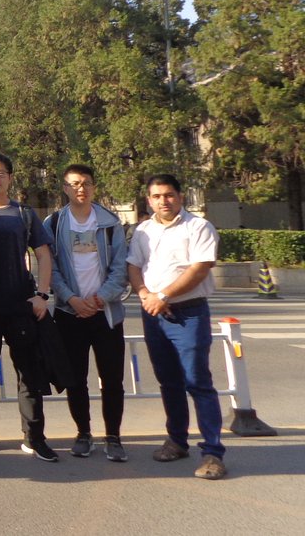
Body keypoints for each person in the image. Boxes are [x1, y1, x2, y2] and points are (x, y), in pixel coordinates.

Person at [127, 174, 227, 480]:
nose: (163, 201)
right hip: (153, 313)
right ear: (149, 200)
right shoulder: (143, 230)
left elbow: (200, 268)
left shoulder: (198, 227)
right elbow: (133, 265)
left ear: (180, 197)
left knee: (197, 381)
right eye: (156, 196)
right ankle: (177, 440)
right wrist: (145, 295)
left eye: (169, 195)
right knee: (168, 380)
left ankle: (212, 452)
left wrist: (164, 296)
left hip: (188, 313)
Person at [0, 153, 57, 462]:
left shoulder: (23, 213)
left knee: (28, 374)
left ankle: (34, 436)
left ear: (10, 177)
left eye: (1, 172)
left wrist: (42, 295)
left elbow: (44, 254)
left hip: (20, 303)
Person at [44, 163, 130, 462]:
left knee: (112, 378)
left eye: (87, 183)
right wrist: (71, 299)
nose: (81, 188)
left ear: (94, 186)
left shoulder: (110, 223)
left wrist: (100, 299)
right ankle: (83, 433)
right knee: (75, 378)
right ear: (65, 188)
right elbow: (49, 268)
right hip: (70, 314)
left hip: (105, 314)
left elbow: (121, 267)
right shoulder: (53, 223)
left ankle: (114, 437)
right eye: (75, 183)